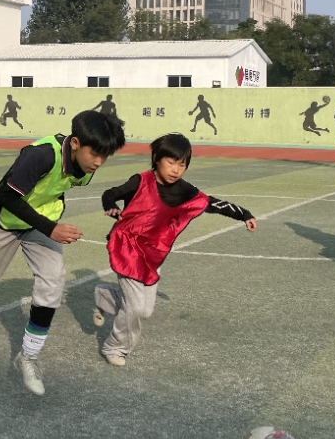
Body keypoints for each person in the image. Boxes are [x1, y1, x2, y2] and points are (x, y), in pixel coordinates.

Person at [0, 110, 126, 396]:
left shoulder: (86, 168)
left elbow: (54, 189)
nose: (99, 162)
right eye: (95, 153)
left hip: (39, 225)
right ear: (75, 143)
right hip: (5, 220)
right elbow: (7, 197)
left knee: (53, 281)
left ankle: (28, 356)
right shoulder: (40, 155)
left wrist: (48, 224)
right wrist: (51, 228)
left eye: (106, 155)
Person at [94, 133, 257, 367]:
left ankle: (104, 295)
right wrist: (110, 206)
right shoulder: (140, 181)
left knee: (145, 311)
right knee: (136, 308)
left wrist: (244, 214)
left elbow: (210, 202)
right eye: (171, 162)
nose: (176, 170)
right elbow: (110, 193)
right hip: (128, 247)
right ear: (156, 159)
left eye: (182, 165)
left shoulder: (184, 190)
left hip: (153, 255)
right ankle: (115, 347)